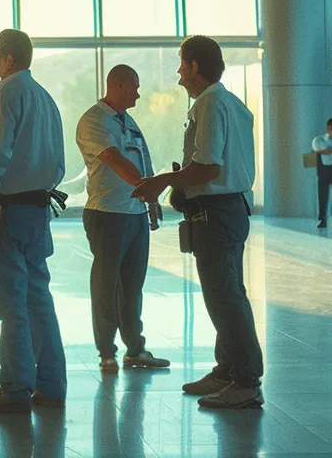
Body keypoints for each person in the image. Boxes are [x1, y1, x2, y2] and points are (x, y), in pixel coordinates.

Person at [133, 36, 264, 410]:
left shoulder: (209, 105)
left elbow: (208, 167)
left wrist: (163, 181)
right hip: (228, 209)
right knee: (224, 294)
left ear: (193, 66)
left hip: (218, 212)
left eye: (181, 64)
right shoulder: (230, 103)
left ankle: (246, 380)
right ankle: (227, 369)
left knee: (225, 298)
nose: (178, 73)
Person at [0, 29, 70, 415]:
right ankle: (51, 385)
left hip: (5, 211)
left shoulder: (7, 94)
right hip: (37, 210)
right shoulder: (45, 99)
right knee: (39, 298)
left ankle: (14, 388)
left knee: (11, 304)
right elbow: (58, 163)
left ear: (9, 59)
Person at [74, 64, 170, 374]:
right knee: (106, 284)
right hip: (107, 214)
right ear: (116, 86)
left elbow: (142, 159)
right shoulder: (93, 121)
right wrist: (147, 188)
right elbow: (114, 159)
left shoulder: (128, 122)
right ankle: (107, 352)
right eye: (133, 88)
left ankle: (135, 350)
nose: (138, 95)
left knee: (132, 286)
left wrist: (151, 198)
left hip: (134, 214)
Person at [313, 118, 332, 228]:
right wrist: (330, 151)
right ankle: (322, 219)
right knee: (323, 196)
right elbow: (318, 150)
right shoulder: (321, 140)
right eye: (330, 127)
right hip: (324, 170)